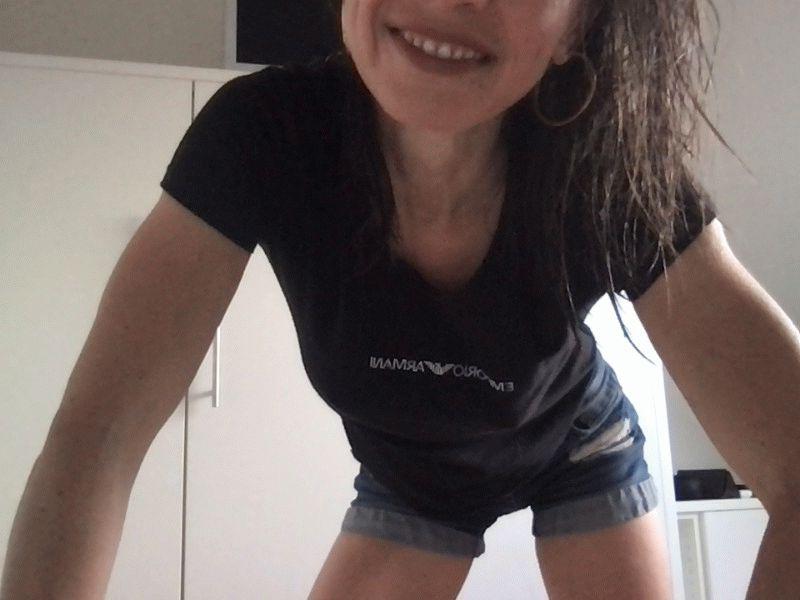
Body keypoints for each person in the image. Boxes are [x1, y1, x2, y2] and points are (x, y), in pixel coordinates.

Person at [2, 1, 724, 599]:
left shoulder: (612, 163)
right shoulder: (263, 135)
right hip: (412, 478)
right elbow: (95, 439)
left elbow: (780, 455)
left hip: (578, 443)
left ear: (579, 24)